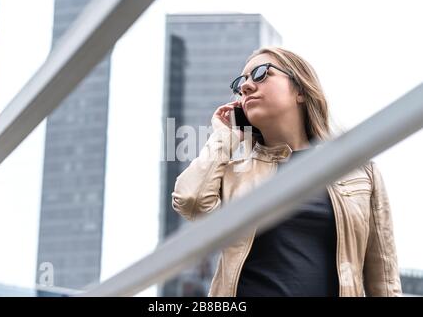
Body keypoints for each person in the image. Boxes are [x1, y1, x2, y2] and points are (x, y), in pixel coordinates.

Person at [171, 46, 402, 297]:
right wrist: (225, 137)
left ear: (300, 90)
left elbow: (385, 281)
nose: (246, 87)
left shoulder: (359, 172)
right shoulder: (234, 175)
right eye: (241, 82)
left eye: (260, 73)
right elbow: (189, 201)